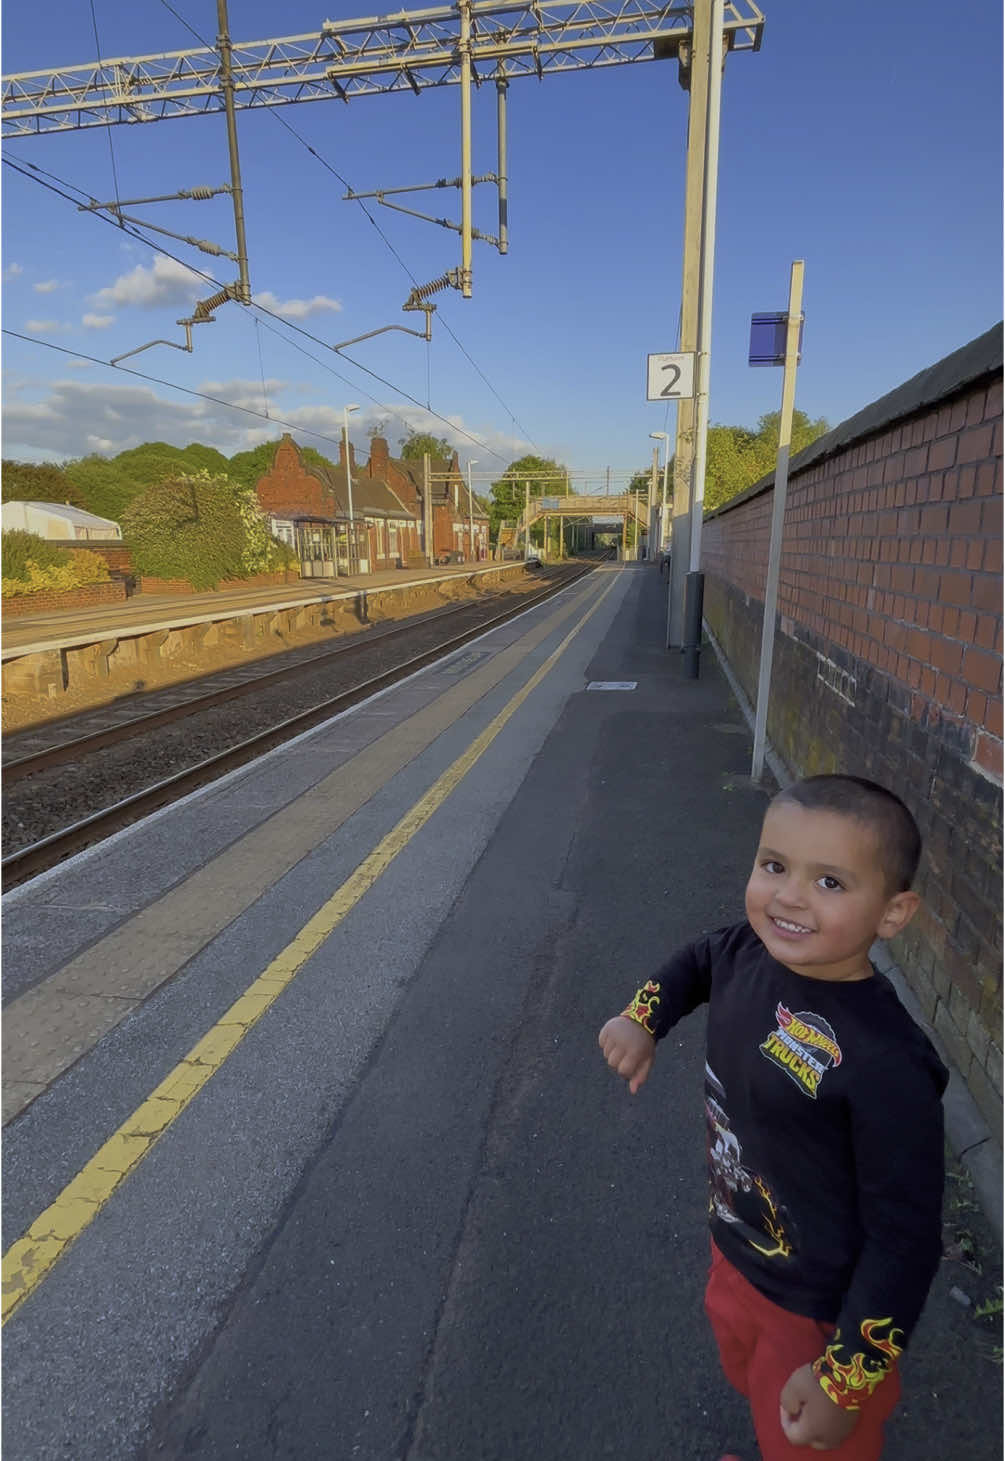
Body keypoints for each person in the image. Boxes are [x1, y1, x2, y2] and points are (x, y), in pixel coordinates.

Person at [598, 775, 948, 1461]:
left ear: (892, 912)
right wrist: (642, 1018)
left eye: (829, 883)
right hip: (736, 1257)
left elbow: (904, 1239)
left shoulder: (886, 1062)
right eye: (774, 866)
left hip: (816, 1312)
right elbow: (694, 963)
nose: (787, 895)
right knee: (758, 1391)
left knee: (807, 1432)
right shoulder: (745, 952)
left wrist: (845, 1381)